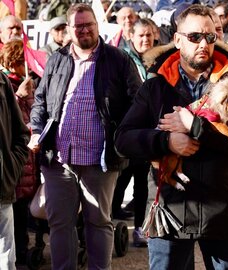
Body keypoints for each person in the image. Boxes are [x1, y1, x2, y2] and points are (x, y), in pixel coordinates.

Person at [115, 4, 228, 269]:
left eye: (210, 37)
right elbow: (123, 139)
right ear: (177, 40)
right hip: (171, 209)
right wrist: (166, 142)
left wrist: (195, 126)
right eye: (194, 37)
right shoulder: (155, 86)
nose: (203, 44)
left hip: (222, 209)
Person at [28, 3, 142, 269]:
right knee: (59, 224)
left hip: (99, 160)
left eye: (88, 24)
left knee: (99, 222)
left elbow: (138, 102)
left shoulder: (118, 59)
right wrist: (36, 130)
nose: (84, 30)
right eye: (78, 26)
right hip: (59, 159)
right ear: (69, 29)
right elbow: (41, 102)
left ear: (97, 25)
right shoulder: (56, 59)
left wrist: (122, 139)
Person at [111, 18, 155, 247]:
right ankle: (109, 222)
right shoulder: (123, 59)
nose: (145, 39)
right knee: (120, 179)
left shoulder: (160, 60)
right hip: (128, 129)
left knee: (143, 183)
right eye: (141, 35)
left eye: (149, 34)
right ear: (132, 37)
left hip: (151, 131)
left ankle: (140, 227)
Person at [0, 39, 37, 267]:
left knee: (6, 259)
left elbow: (21, 133)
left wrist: (10, 167)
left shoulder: (2, 82)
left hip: (2, 188)